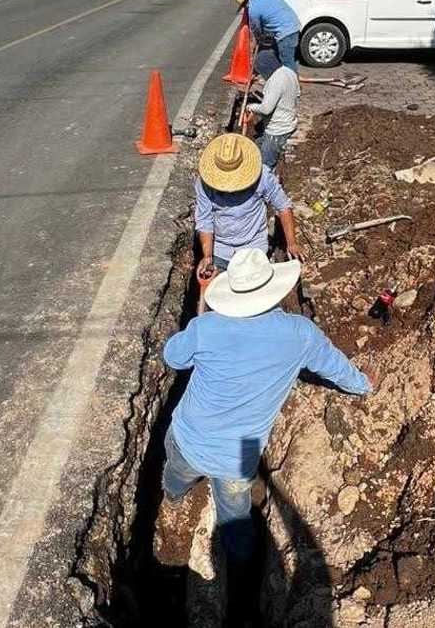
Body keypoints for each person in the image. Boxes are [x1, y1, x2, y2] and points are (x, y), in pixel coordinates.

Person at [162, 248, 375, 565]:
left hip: (187, 437)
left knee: (176, 475)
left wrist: (203, 305)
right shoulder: (300, 333)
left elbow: (173, 357)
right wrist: (364, 385)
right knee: (235, 520)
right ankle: (241, 570)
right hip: (238, 456)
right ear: (272, 289)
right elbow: (336, 368)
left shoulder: (206, 328)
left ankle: (173, 499)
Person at [194, 133, 304, 284]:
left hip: (254, 248)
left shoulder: (262, 176)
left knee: (253, 293)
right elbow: (204, 221)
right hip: (221, 250)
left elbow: (283, 206)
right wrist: (207, 256)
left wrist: (291, 243)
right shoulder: (204, 184)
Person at [243, 50, 300, 170]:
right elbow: (297, 93)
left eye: (260, 72)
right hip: (290, 121)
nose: (260, 75)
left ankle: (268, 175)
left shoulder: (275, 81)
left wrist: (251, 107)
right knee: (257, 145)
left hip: (277, 131)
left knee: (265, 165)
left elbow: (266, 109)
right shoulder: (289, 72)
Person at [233, 0, 301, 72]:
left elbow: (256, 30)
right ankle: (278, 74)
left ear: (244, 3)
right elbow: (271, 13)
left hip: (285, 33)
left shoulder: (253, 9)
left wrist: (258, 40)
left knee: (287, 64)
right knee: (280, 55)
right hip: (294, 23)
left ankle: (291, 79)